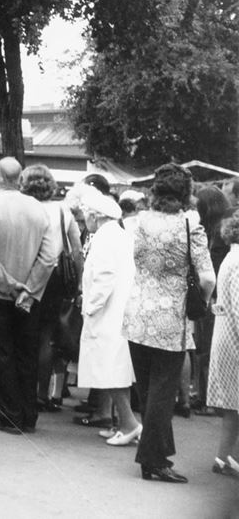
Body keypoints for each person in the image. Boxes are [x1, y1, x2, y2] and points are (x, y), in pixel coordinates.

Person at [124, 163, 215, 483]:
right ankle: (153, 460)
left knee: (149, 391)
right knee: (162, 393)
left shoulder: (139, 221)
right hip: (169, 319)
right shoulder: (191, 225)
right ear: (186, 192)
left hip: (136, 313)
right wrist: (201, 303)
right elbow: (206, 277)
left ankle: (157, 455)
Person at [0, 157, 60, 435]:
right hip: (29, 297)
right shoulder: (38, 210)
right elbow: (49, 256)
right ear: (20, 179)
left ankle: (9, 415)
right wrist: (29, 289)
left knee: (1, 352)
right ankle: (28, 414)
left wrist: (10, 284)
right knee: (26, 352)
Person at [75, 187, 142, 446]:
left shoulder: (105, 237)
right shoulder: (118, 234)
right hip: (117, 311)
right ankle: (122, 423)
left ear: (96, 216)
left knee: (111, 371)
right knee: (115, 371)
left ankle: (129, 425)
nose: (85, 222)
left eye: (85, 217)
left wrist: (89, 306)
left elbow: (103, 277)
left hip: (107, 313)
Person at [18, 165, 83, 413]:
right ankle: (42, 394)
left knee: (24, 333)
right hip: (54, 277)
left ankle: (22, 390)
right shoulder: (62, 211)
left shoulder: (23, 208)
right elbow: (76, 250)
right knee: (46, 336)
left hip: (25, 273)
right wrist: (78, 283)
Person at [192, 185, 231, 416]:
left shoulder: (217, 234)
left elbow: (213, 271)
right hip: (211, 296)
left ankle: (208, 399)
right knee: (203, 350)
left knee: (206, 351)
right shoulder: (213, 230)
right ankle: (203, 396)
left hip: (213, 298)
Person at [207, 210, 239, 477]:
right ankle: (227, 457)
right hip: (234, 341)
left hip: (227, 337)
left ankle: (223, 457)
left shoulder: (232, 255)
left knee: (233, 406)